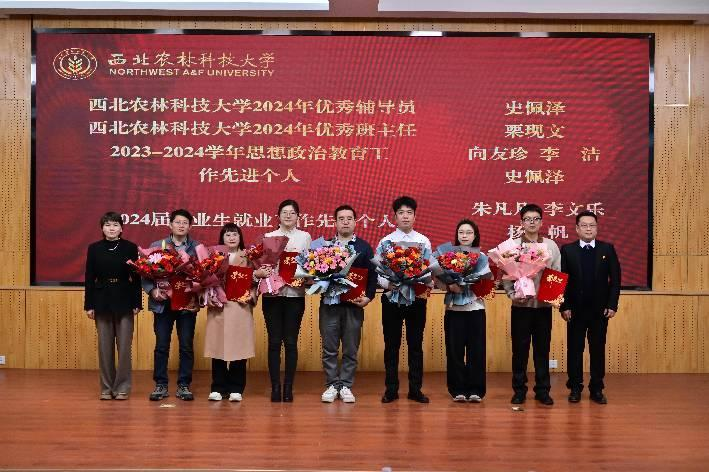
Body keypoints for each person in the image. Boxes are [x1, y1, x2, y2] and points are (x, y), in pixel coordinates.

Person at [501, 203, 561, 406]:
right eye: (528, 219)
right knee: (519, 350)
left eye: (536, 219)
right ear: (521, 223)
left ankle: (543, 390)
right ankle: (519, 390)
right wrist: (512, 294)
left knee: (542, 350)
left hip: (543, 307)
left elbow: (557, 273)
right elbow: (506, 274)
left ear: (541, 222)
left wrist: (552, 296)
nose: (532, 223)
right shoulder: (512, 246)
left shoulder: (551, 246)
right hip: (521, 306)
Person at [205, 224, 271, 402]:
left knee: (239, 347)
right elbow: (206, 280)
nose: (232, 238)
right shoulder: (215, 256)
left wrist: (256, 277)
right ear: (222, 238)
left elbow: (257, 282)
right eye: (228, 235)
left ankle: (236, 388)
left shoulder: (249, 256)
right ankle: (218, 387)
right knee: (218, 347)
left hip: (240, 307)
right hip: (219, 306)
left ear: (240, 237)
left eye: (235, 234)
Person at [560, 210, 621, 404]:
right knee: (574, 350)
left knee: (597, 350)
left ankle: (597, 388)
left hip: (599, 311)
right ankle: (575, 387)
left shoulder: (607, 249)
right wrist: (564, 306)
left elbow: (616, 280)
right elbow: (562, 280)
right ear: (577, 229)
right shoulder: (567, 250)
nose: (588, 229)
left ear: (597, 228)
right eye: (584, 225)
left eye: (592, 225)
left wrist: (612, 304)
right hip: (575, 311)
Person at [319, 205, 377, 404]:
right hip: (330, 304)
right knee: (329, 348)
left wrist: (369, 297)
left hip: (354, 305)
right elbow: (315, 273)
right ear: (335, 222)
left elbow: (373, 276)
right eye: (341, 218)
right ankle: (331, 385)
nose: (345, 222)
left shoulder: (364, 247)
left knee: (351, 348)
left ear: (354, 222)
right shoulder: (325, 246)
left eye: (349, 218)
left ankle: (345, 385)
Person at [378, 196, 433, 404]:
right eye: (401, 213)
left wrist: (422, 280)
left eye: (409, 213)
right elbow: (379, 270)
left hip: (416, 298)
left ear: (415, 216)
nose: (405, 216)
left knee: (415, 345)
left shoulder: (423, 241)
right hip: (392, 298)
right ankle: (391, 389)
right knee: (391, 345)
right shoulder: (386, 241)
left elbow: (429, 268)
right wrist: (388, 284)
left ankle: (415, 389)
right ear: (395, 217)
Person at [143, 209, 201, 401]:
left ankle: (184, 385)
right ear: (170, 224)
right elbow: (145, 273)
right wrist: (152, 290)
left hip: (186, 304)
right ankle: (160, 384)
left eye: (185, 223)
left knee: (186, 346)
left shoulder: (197, 248)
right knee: (161, 345)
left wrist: (196, 293)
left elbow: (203, 276)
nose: (181, 225)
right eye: (178, 222)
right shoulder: (156, 246)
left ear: (190, 226)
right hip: (162, 304)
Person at [84, 211, 142, 400]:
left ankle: (122, 387)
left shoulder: (130, 247)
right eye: (108, 225)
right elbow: (89, 278)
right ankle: (106, 388)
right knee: (105, 348)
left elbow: (136, 277)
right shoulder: (94, 248)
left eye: (115, 225)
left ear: (121, 228)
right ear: (102, 228)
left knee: (124, 348)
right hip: (101, 300)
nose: (111, 228)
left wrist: (137, 302)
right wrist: (89, 305)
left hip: (125, 300)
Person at [436, 219, 492, 403]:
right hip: (454, 310)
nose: (465, 236)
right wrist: (449, 284)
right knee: (455, 351)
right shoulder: (447, 257)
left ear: (475, 236)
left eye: (469, 232)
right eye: (461, 232)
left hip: (476, 309)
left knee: (477, 351)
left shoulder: (482, 257)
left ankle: (476, 390)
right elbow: (438, 281)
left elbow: (488, 281)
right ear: (457, 235)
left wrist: (478, 283)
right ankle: (457, 389)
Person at [262, 199, 312, 402]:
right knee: (274, 342)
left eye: (292, 212)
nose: (288, 215)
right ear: (278, 216)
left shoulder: (305, 237)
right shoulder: (269, 237)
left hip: (294, 295)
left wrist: (306, 277)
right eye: (284, 212)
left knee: (290, 342)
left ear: (298, 216)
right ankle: (275, 387)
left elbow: (309, 264)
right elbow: (264, 265)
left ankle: (288, 387)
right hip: (273, 295)